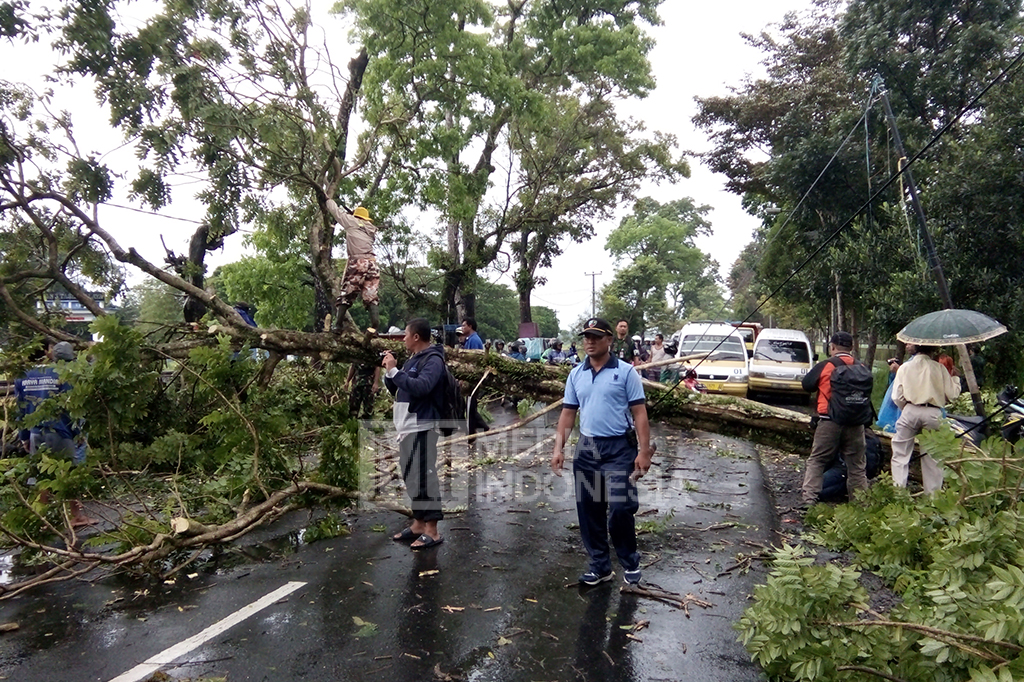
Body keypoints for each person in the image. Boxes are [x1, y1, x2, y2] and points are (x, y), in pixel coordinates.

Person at [551, 317, 653, 586]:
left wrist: (643, 451)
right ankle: (600, 565)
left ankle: (629, 561)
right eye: (587, 336)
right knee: (589, 509)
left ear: (609, 340)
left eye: (596, 337)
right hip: (588, 448)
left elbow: (640, 413)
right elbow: (568, 414)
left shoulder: (626, 372)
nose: (590, 341)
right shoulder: (576, 374)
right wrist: (558, 448)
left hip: (619, 448)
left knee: (620, 507)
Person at [14, 341, 95, 526]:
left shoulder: (23, 376)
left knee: (43, 476)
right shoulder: (61, 372)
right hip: (60, 431)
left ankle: (40, 519)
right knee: (69, 474)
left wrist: (24, 437)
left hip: (36, 431)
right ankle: (77, 516)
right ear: (45, 351)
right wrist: (77, 433)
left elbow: (21, 409)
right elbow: (70, 405)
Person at [383, 319, 447, 550]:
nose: (403, 339)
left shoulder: (433, 360)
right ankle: (418, 523)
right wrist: (390, 373)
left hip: (423, 426)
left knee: (424, 477)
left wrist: (395, 372)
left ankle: (432, 530)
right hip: (407, 427)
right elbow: (402, 389)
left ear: (416, 337)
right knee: (411, 476)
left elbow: (422, 386)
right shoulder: (413, 360)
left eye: (406, 335)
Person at [799, 332, 869, 506]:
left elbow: (807, 385)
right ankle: (861, 504)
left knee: (818, 460)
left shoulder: (826, 365)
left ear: (832, 347)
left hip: (829, 421)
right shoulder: (861, 367)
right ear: (852, 348)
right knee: (857, 466)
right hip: (856, 423)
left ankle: (809, 501)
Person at [890, 345, 962, 493]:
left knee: (900, 454)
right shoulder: (939, 368)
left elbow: (897, 396)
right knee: (933, 457)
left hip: (910, 409)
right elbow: (953, 395)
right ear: (933, 350)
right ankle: (932, 498)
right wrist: (955, 377)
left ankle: (899, 493)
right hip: (933, 411)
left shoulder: (905, 367)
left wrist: (907, 408)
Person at [327, 202, 380, 333]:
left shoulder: (351, 222)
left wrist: (327, 199)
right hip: (372, 264)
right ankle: (374, 327)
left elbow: (336, 211)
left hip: (358, 262)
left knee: (347, 292)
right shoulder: (371, 228)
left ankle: (338, 326)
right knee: (371, 296)